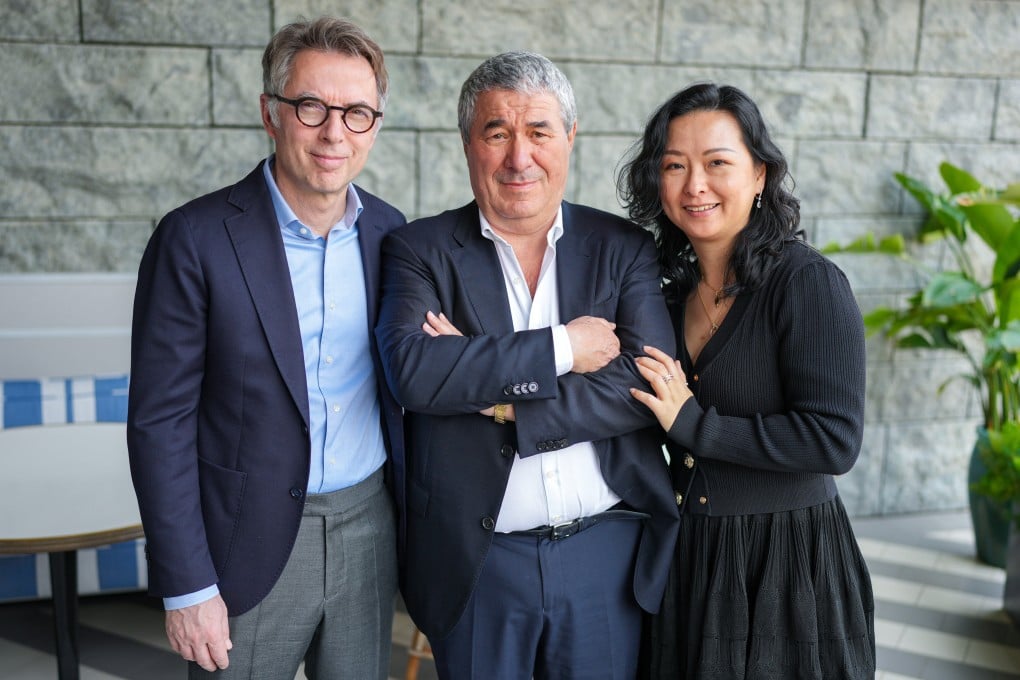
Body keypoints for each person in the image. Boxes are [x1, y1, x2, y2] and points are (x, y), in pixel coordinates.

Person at [374, 51, 680, 679]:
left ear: (569, 137)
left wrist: (499, 396)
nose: (520, 157)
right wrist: (563, 349)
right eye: (497, 133)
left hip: (608, 556)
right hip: (479, 565)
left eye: (539, 131)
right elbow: (414, 371)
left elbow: (641, 382)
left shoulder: (624, 249)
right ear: (468, 144)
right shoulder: (418, 250)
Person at [126, 17, 405, 679]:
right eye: (312, 107)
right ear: (270, 113)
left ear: (375, 123)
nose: (335, 132)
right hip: (245, 547)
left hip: (369, 530)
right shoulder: (194, 240)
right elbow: (158, 423)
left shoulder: (393, 236)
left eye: (357, 112)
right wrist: (189, 586)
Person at [618, 82, 875, 678]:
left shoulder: (807, 284)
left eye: (717, 164)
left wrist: (697, 426)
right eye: (674, 166)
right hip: (692, 558)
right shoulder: (669, 288)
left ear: (760, 174)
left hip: (786, 570)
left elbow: (834, 440)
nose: (694, 186)